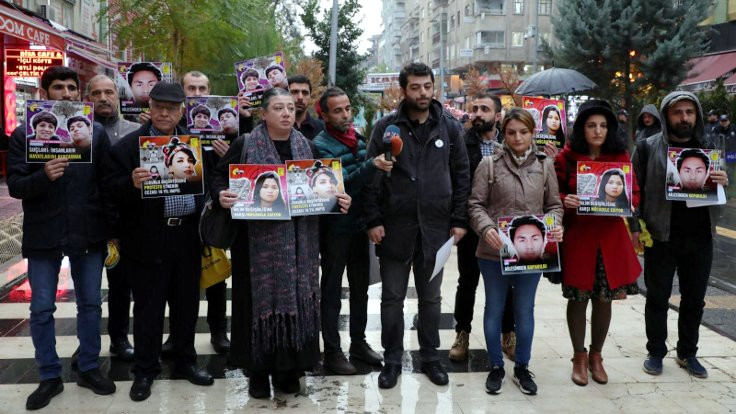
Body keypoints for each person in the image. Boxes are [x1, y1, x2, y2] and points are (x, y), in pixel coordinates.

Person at [211, 88, 351, 398]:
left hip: (300, 248)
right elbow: (219, 178)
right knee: (255, 306)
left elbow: (324, 188)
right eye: (278, 108)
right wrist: (221, 195)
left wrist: (339, 199)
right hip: (255, 246)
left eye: (290, 107)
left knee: (297, 304)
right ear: (265, 113)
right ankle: (258, 373)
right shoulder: (246, 145)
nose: (286, 113)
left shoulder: (309, 149)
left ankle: (290, 370)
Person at [7, 65, 116, 410]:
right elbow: (16, 185)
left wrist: (111, 229)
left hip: (88, 231)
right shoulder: (25, 134)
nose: (66, 93)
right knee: (41, 308)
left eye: (71, 88)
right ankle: (49, 375)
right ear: (44, 93)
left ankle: (87, 366)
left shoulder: (95, 133)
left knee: (90, 304)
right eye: (58, 87)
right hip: (44, 232)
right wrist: (44, 176)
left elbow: (107, 183)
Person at [104, 82, 214, 402]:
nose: (165, 113)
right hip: (146, 236)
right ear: (149, 107)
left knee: (186, 305)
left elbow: (209, 184)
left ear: (182, 110)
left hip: (187, 237)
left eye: (172, 107)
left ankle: (185, 362)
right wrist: (131, 183)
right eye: (159, 106)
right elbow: (109, 192)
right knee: (149, 307)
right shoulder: (128, 147)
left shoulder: (195, 145)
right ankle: (145, 370)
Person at [363, 62, 470, 389]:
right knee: (392, 298)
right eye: (415, 87)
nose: (422, 93)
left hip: (436, 231)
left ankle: (430, 357)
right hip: (395, 229)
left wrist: (459, 219)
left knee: (431, 300)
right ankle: (392, 359)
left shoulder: (449, 128)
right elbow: (372, 176)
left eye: (427, 86)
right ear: (404, 90)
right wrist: (373, 220)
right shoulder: (387, 128)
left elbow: (462, 174)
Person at [630, 91, 729, 379]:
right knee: (658, 297)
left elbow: (719, 191)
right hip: (662, 235)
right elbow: (634, 192)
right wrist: (635, 227)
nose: (684, 118)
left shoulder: (710, 147)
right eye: (677, 112)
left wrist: (724, 181)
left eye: (689, 112)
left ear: (696, 115)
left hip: (701, 236)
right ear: (666, 116)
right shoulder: (648, 147)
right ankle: (656, 352)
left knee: (694, 299)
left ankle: (688, 352)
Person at [468, 108, 563, 396]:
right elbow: (475, 205)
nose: (518, 137)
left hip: (530, 253)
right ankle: (496, 366)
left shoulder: (545, 165)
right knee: (494, 308)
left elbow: (554, 206)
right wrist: (486, 229)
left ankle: (522, 366)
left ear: (533, 132)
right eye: (511, 132)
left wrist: (555, 226)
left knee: (524, 309)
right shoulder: (489, 164)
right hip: (494, 251)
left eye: (524, 131)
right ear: (503, 133)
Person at [554, 99, 642, 387]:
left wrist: (626, 201)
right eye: (591, 125)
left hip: (610, 239)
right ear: (582, 128)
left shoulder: (620, 156)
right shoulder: (565, 158)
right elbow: (552, 196)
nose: (598, 130)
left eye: (603, 125)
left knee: (604, 299)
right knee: (578, 298)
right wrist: (566, 202)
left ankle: (596, 356)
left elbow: (635, 195)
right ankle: (578, 355)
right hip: (579, 238)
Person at [313, 87, 391, 374]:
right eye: (338, 110)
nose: (345, 115)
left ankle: (358, 342)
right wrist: (371, 166)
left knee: (361, 288)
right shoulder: (319, 145)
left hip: (359, 225)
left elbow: (366, 185)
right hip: (335, 229)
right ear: (324, 115)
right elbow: (337, 184)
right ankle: (333, 352)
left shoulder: (356, 137)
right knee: (332, 289)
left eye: (347, 108)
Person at [450, 94, 517, 363]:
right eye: (474, 108)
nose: (477, 113)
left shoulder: (510, 142)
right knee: (467, 282)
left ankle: (507, 333)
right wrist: (457, 221)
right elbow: (456, 185)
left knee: (507, 283)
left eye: (484, 109)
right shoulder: (461, 144)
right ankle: (462, 333)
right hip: (471, 226)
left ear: (498, 116)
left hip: (506, 226)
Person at [171, 70, 231, 354]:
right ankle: (178, 335)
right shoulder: (174, 125)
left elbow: (236, 169)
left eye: (202, 88)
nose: (196, 93)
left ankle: (219, 331)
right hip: (181, 208)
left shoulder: (224, 125)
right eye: (191, 88)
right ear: (183, 92)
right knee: (181, 278)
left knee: (216, 274)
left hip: (214, 209)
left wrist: (227, 153)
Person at [85, 74, 139, 362]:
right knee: (88, 292)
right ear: (88, 98)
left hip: (125, 223)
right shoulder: (72, 134)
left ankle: (119, 338)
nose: (104, 98)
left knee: (121, 285)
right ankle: (87, 345)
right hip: (88, 221)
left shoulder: (136, 131)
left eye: (109, 92)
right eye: (97, 93)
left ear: (119, 97)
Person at [289, 75, 325, 140]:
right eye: (294, 92)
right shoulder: (275, 127)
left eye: (305, 93)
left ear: (310, 97)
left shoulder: (322, 129)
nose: (300, 97)